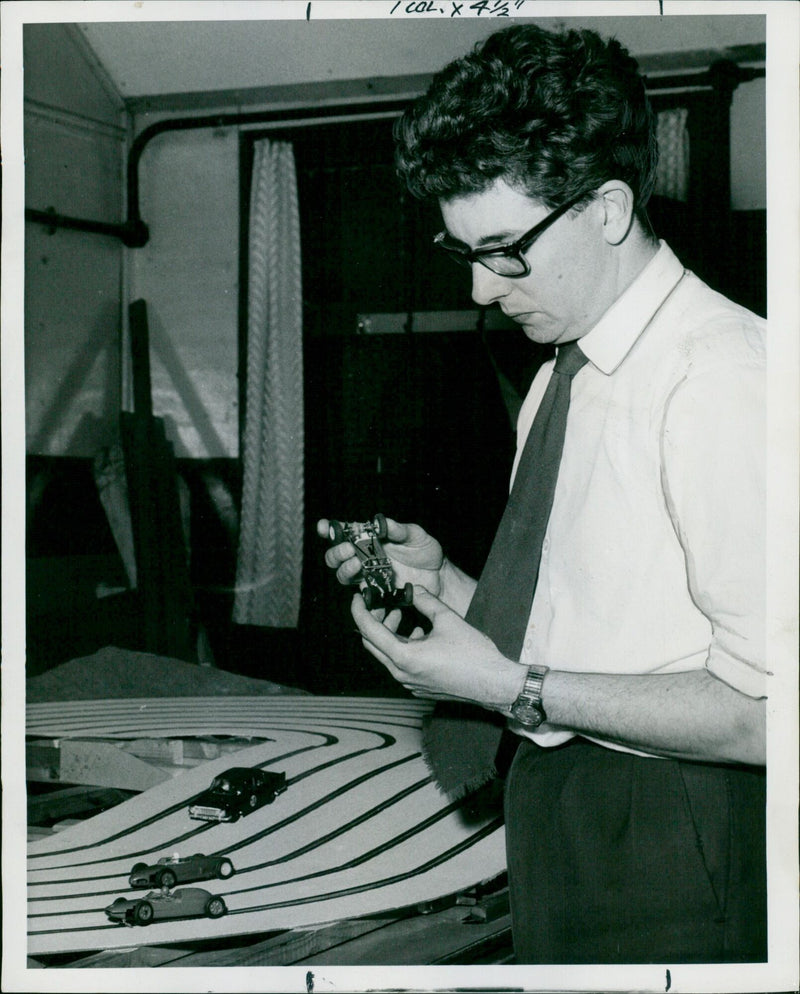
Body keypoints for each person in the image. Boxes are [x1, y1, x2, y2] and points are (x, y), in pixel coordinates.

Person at [318, 23, 767, 964]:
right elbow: (600, 631)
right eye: (463, 251)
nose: (483, 289)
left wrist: (509, 688)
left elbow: (769, 716)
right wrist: (453, 584)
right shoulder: (567, 369)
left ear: (607, 208)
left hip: (676, 831)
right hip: (561, 803)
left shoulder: (723, 377)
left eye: (504, 249)